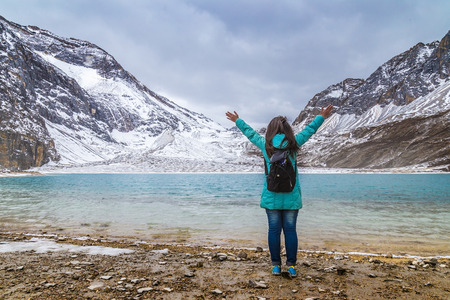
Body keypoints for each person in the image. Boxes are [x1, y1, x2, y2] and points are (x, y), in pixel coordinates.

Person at [225, 105, 333, 277]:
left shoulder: (265, 145)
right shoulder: (294, 144)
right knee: (290, 230)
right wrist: (322, 116)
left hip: (271, 196)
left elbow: (250, 134)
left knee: (273, 230)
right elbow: (310, 130)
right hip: (291, 196)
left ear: (270, 129)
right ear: (288, 130)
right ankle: (291, 266)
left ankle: (275, 265)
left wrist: (237, 121)